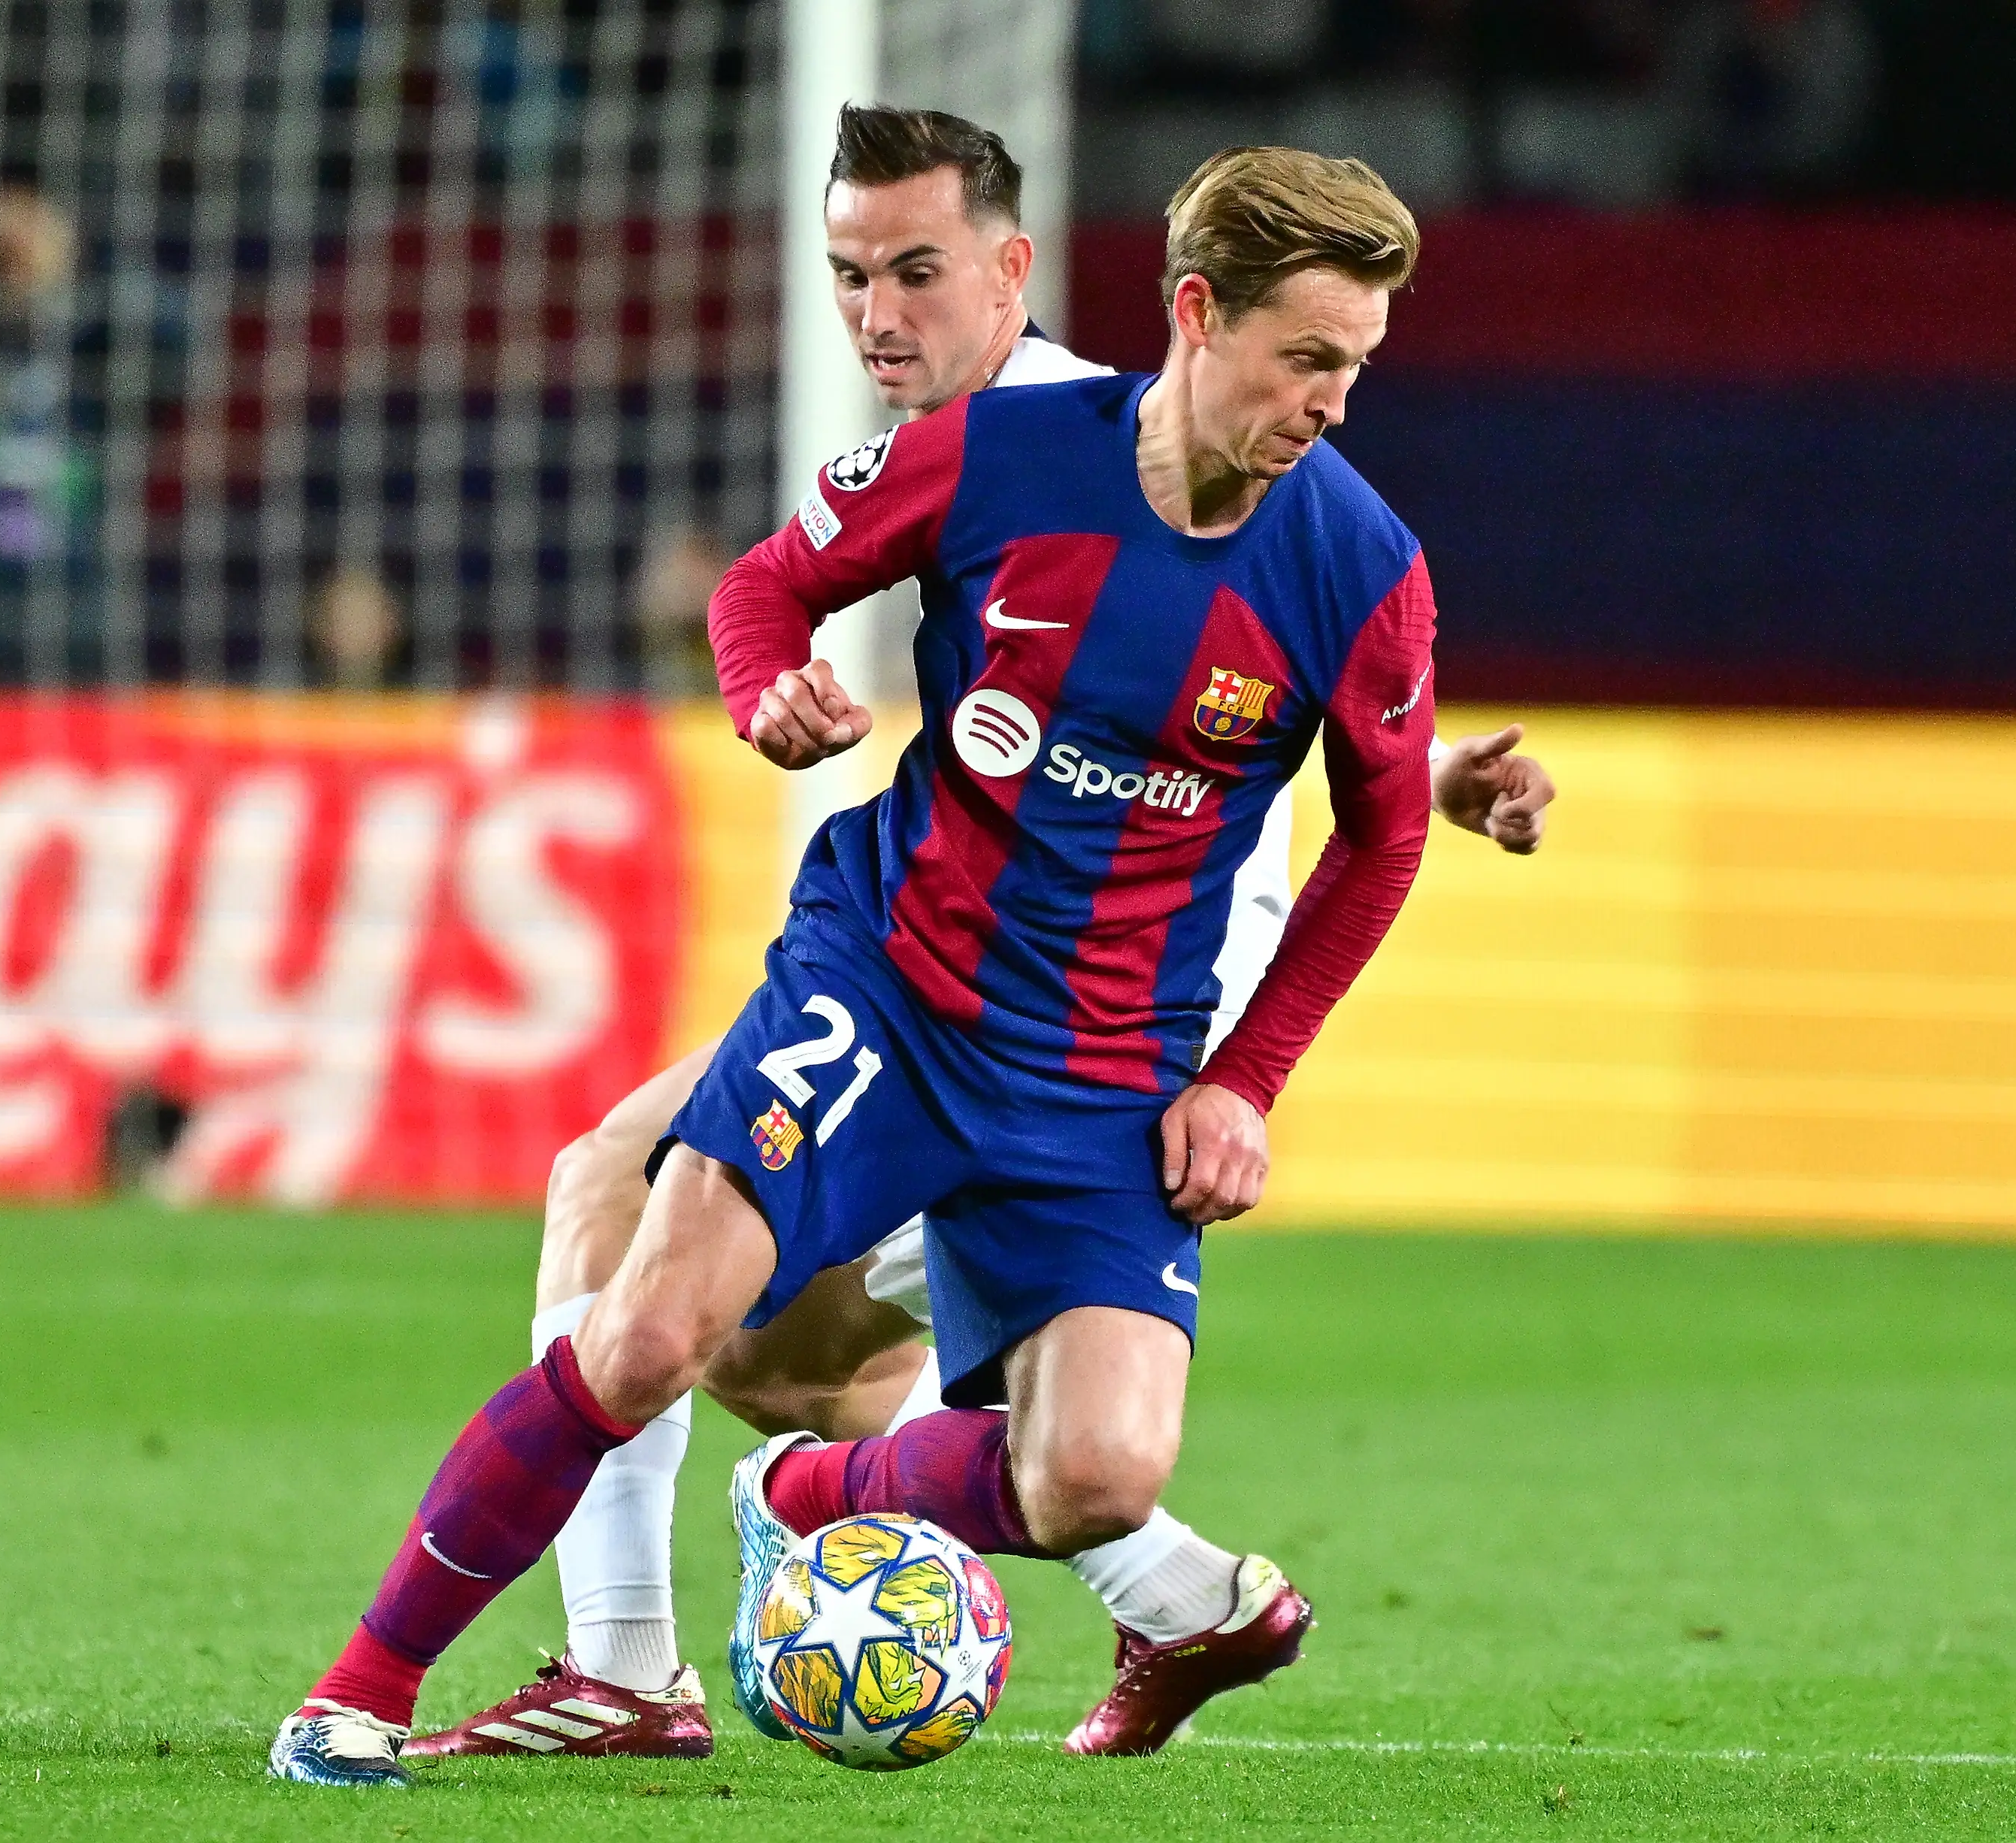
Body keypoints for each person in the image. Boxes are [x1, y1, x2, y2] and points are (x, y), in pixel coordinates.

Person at [270, 137, 1509, 1788]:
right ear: (1196, 315)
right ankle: (360, 1687)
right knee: (647, 1323)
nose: (1332, 405)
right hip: (890, 997)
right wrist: (766, 682)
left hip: (1109, 1069)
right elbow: (767, 588)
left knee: (1096, 1477)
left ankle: (799, 1506)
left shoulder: (1362, 567)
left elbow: (1375, 834)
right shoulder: (994, 459)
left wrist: (1243, 1079)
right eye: (1305, 361)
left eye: (1353, 368)